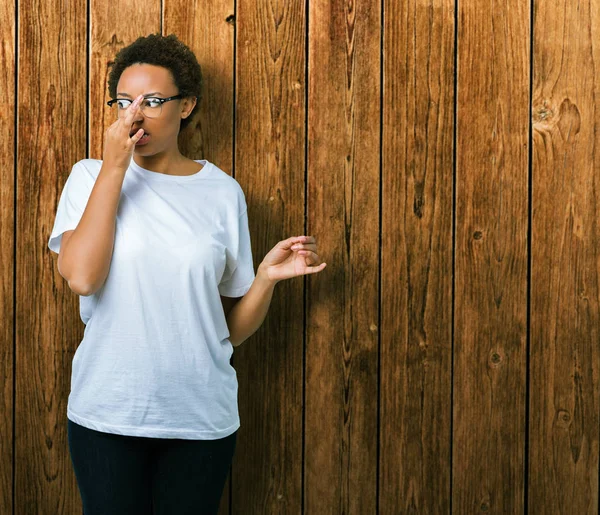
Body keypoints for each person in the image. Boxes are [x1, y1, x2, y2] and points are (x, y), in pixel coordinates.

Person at [47, 33, 326, 515]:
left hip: (199, 418)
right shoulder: (88, 176)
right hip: (108, 411)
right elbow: (82, 278)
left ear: (186, 106)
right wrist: (115, 167)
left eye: (153, 101)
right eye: (124, 102)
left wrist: (264, 280)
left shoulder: (222, 193)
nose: (135, 115)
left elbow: (227, 334)